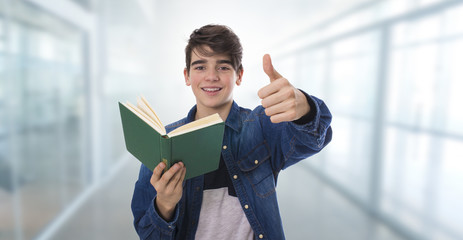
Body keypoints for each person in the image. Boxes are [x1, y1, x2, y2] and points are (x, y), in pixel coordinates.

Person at [131, 24, 332, 240]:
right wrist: (165, 205)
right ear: (187, 75)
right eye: (200, 67)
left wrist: (305, 110)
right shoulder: (165, 141)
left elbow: (312, 140)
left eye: (223, 67)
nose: (211, 76)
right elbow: (147, 234)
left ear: (239, 75)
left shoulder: (262, 126)